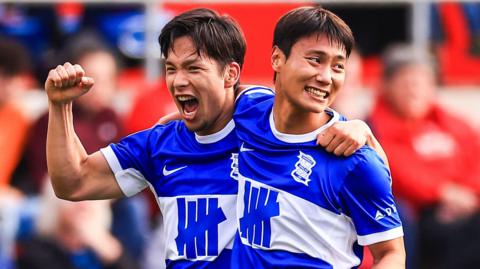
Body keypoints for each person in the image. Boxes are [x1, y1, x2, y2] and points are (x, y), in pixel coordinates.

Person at [45, 8, 386, 268]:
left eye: (193, 68)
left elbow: (360, 161)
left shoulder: (261, 115)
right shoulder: (159, 143)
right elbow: (72, 182)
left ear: (230, 74)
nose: (178, 81)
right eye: (171, 68)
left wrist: (356, 127)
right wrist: (60, 108)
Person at [230, 7, 405, 268]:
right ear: (277, 58)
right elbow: (217, 103)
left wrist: (362, 129)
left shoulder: (354, 159)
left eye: (337, 66)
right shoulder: (249, 109)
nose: (325, 77)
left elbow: (392, 254)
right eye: (315, 60)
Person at [368, 43, 480, 268]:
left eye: (422, 82)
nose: (414, 89)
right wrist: (442, 193)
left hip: (467, 206)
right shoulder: (375, 127)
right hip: (419, 216)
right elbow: (394, 172)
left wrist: (469, 194)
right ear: (387, 86)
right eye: (406, 82)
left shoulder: (450, 122)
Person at [16, 182, 139, 269]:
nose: (83, 205)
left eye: (91, 198)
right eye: (74, 199)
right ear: (55, 205)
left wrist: (110, 252)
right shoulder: (36, 251)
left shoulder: (105, 251)